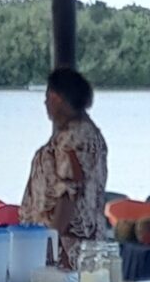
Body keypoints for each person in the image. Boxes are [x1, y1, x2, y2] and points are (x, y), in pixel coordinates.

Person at [20, 67, 108, 265]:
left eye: (47, 97)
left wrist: (50, 244)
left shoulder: (74, 139)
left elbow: (68, 195)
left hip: (67, 249)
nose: (45, 103)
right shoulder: (84, 133)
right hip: (76, 246)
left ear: (57, 98)